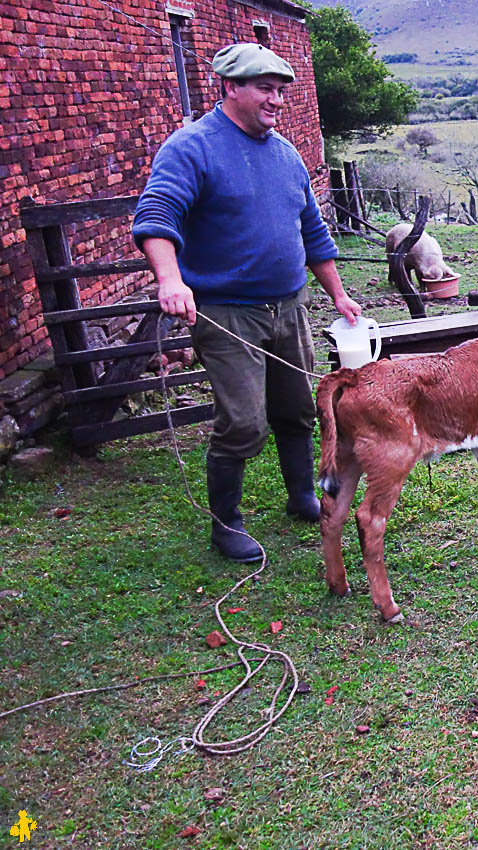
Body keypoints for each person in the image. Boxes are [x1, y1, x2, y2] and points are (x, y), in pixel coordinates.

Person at [133, 43, 362, 562]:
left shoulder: (286, 154)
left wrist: (339, 295)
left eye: (282, 90)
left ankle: (303, 495)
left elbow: (313, 232)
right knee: (243, 421)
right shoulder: (192, 148)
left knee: (299, 409)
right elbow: (157, 218)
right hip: (227, 312)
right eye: (265, 88)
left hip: (288, 306)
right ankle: (226, 523)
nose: (277, 100)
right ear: (230, 87)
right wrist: (171, 280)